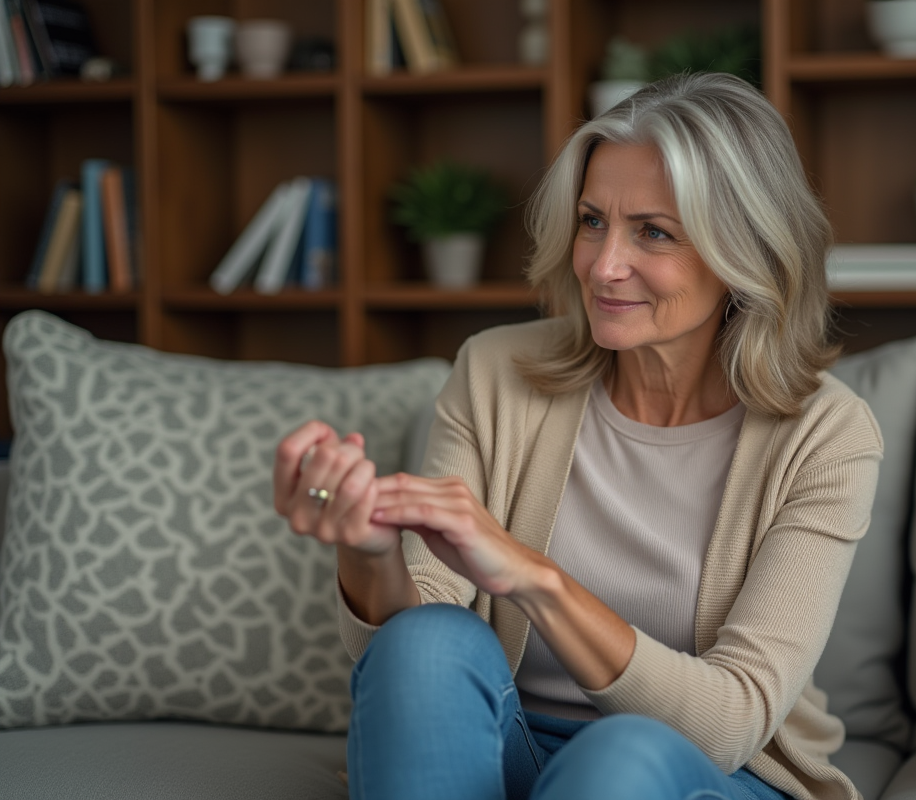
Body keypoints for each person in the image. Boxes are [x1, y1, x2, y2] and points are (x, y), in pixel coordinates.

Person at [274, 72, 882, 800]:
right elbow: (401, 660)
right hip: (512, 748)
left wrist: (535, 578)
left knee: (618, 759)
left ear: (743, 254)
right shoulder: (497, 372)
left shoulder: (827, 434)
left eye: (652, 232)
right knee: (429, 644)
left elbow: (729, 725)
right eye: (593, 221)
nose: (602, 264)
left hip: (703, 776)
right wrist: (368, 552)